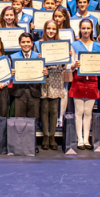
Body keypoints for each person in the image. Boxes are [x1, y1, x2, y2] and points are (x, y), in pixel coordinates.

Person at [69, 18, 100, 150]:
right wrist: (74, 65)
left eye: (88, 28)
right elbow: (70, 66)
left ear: (92, 30)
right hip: (78, 79)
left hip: (92, 80)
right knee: (79, 111)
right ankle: (79, 139)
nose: (85, 31)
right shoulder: (74, 45)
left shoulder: (98, 46)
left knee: (88, 111)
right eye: (83, 28)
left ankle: (86, 139)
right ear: (80, 29)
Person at [35, 20, 67, 150]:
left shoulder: (61, 44)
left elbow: (64, 66)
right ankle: (45, 136)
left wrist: (67, 57)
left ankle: (52, 136)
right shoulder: (39, 44)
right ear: (45, 29)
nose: (51, 31)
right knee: (44, 108)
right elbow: (34, 62)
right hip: (44, 78)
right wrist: (39, 58)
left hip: (56, 77)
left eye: (53, 29)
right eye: (48, 28)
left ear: (57, 30)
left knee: (54, 109)